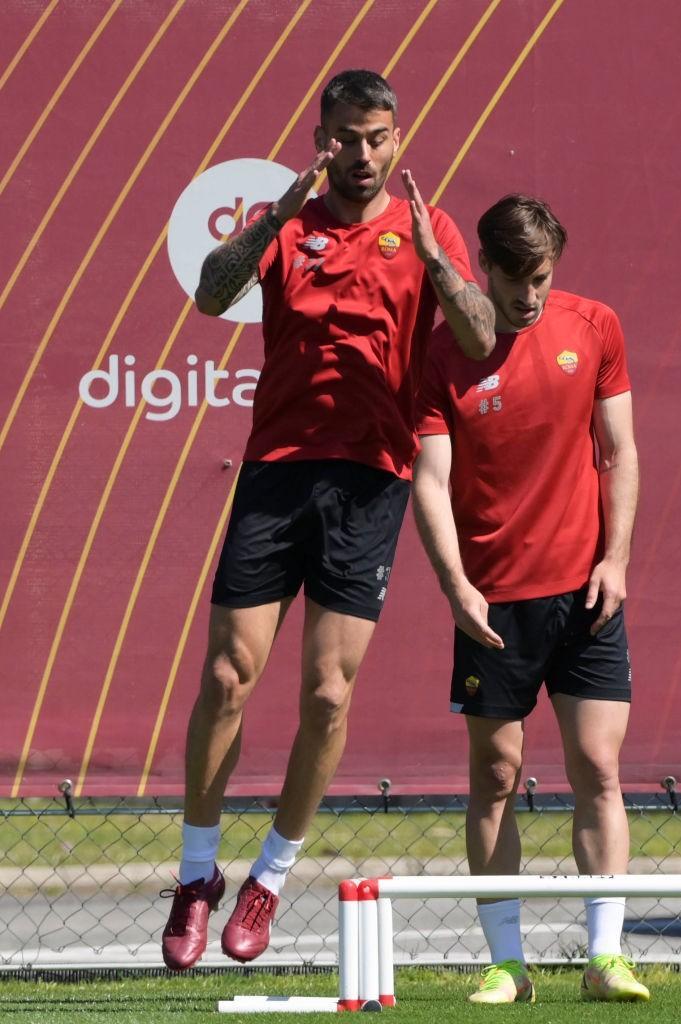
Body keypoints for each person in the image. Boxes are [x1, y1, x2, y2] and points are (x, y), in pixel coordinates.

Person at [160, 69, 495, 971]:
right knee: (229, 677)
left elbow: (475, 334)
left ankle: (270, 874)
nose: (361, 153)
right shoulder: (290, 223)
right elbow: (208, 292)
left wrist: (432, 256)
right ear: (322, 137)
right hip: (276, 475)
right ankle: (198, 875)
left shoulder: (429, 230)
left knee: (326, 696)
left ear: (396, 137)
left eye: (377, 136)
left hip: (370, 485)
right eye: (345, 136)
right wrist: (272, 217)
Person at [413, 193, 649, 1004]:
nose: (528, 296)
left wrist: (614, 560)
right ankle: (505, 964)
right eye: (514, 280)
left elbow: (618, 453)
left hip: (586, 594)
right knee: (495, 774)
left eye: (540, 278)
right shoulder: (444, 357)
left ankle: (605, 958)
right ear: (483, 267)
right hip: (494, 606)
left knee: (597, 767)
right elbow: (432, 482)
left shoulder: (595, 327)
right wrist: (455, 588)